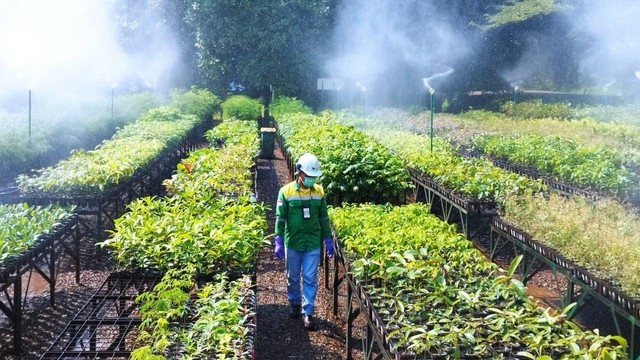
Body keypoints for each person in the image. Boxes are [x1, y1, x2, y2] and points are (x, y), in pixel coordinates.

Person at [274, 153, 334, 330]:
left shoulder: (319, 192)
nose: (311, 180)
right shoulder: (286, 191)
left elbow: (323, 217)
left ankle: (307, 312)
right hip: (292, 242)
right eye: (308, 176)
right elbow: (280, 218)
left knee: (309, 277)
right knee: (292, 276)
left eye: (314, 177)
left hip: (312, 242)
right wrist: (277, 239)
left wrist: (328, 238)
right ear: (299, 172)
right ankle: (294, 303)